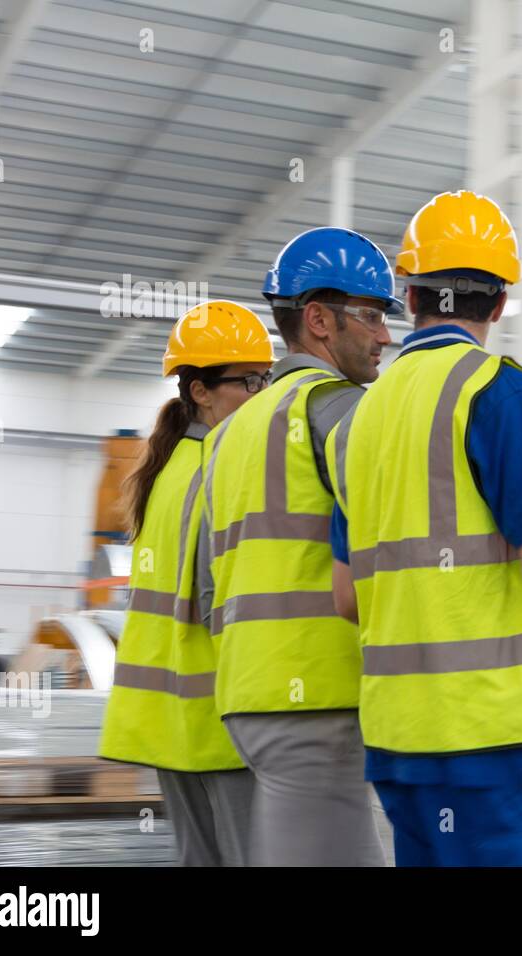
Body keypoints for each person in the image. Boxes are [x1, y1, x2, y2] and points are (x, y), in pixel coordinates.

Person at [326, 190, 522, 866]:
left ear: (409, 296)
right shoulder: (499, 389)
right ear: (499, 304)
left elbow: (347, 598)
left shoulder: (358, 421)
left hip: (398, 740)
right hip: (488, 738)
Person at [195, 227, 403, 866]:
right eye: (370, 316)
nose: (385, 336)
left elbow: (210, 590)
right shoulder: (333, 407)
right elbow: (409, 506)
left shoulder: (231, 433)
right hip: (315, 692)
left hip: (251, 695)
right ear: (317, 319)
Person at [99, 299, 274, 866]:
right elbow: (217, 604)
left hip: (168, 721)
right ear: (200, 391)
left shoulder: (165, 470)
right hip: (221, 719)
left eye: (266, 379)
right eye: (249, 382)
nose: (262, 394)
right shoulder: (222, 470)